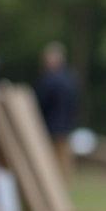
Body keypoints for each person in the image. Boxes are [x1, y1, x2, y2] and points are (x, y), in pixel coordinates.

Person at [35, 41, 77, 183]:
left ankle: (53, 187)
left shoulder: (48, 80)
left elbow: (41, 104)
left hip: (50, 127)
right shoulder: (70, 78)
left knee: (51, 161)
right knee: (64, 161)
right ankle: (63, 187)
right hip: (66, 127)